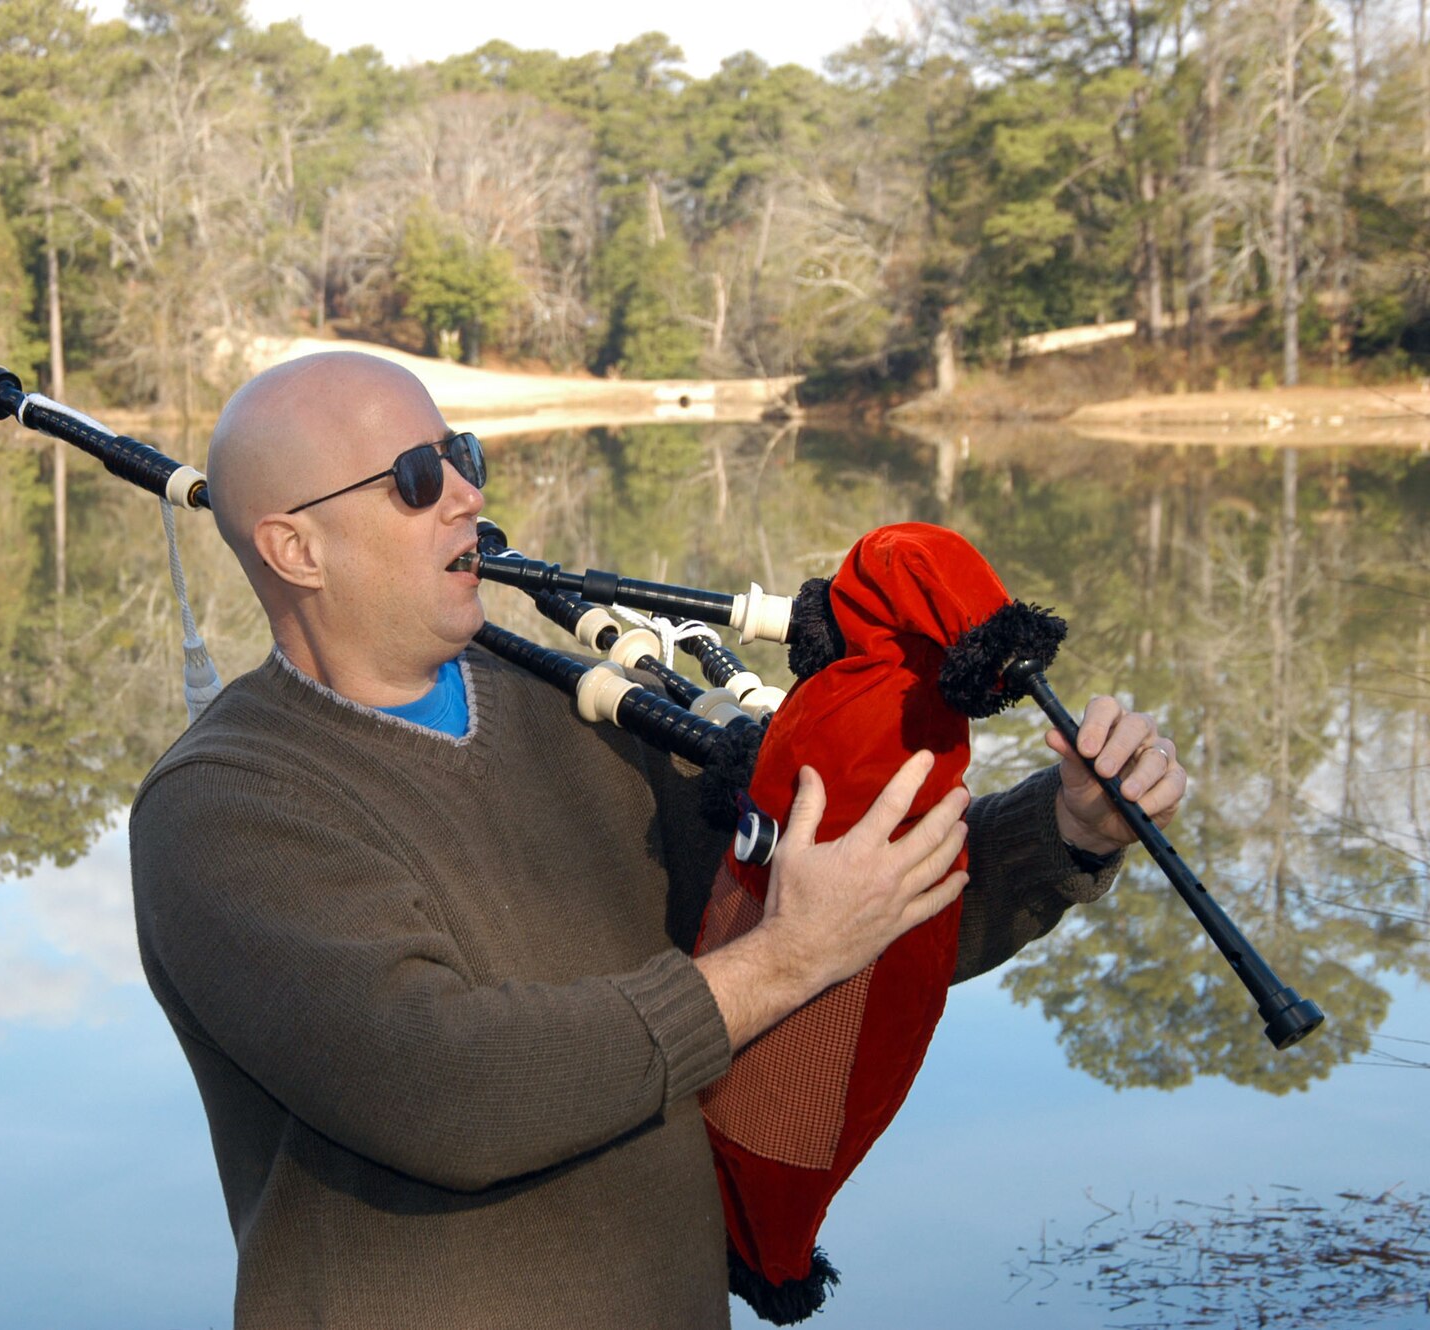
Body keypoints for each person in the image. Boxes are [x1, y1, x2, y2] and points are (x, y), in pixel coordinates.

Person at [129, 352, 1186, 1328]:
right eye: (416, 475)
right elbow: (444, 1089)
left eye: (464, 455)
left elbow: (831, 911)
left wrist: (1061, 828)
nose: (467, 493)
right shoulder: (225, 808)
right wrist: (782, 959)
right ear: (293, 548)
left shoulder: (572, 715)